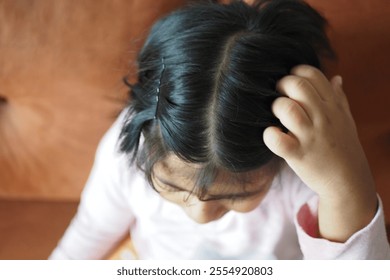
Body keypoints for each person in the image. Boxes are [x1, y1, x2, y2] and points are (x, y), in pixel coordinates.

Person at [50, 0, 390, 259]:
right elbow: (89, 233)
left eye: (235, 195)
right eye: (169, 185)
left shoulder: (300, 168)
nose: (201, 215)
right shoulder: (128, 149)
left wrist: (342, 184)